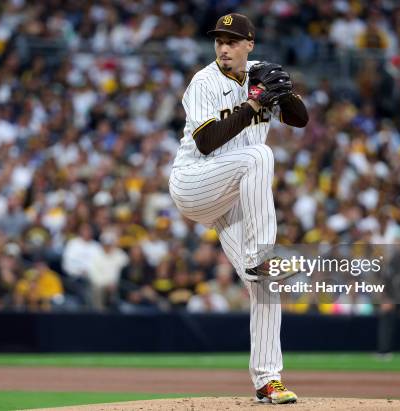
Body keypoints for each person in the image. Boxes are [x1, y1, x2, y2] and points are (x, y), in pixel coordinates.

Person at [168, 13, 308, 404]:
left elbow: (300, 120)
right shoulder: (204, 81)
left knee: (264, 285)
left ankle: (268, 380)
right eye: (219, 41)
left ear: (250, 44)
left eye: (232, 41)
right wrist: (255, 103)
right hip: (194, 182)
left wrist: (285, 93)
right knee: (259, 155)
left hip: (233, 195)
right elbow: (209, 141)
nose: (224, 48)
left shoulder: (259, 76)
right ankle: (262, 255)